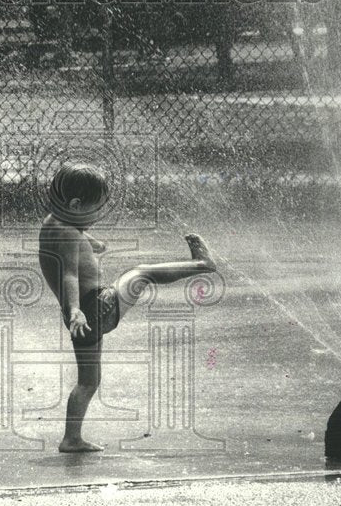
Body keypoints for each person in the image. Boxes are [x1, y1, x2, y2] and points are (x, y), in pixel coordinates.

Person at [37, 162, 217, 453]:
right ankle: (202, 265)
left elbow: (66, 247)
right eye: (95, 211)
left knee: (88, 382)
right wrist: (75, 310)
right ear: (75, 204)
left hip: (83, 317)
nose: (96, 217)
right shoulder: (70, 233)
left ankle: (71, 439)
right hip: (93, 308)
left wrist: (92, 243)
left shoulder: (54, 223)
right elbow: (68, 273)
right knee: (142, 273)